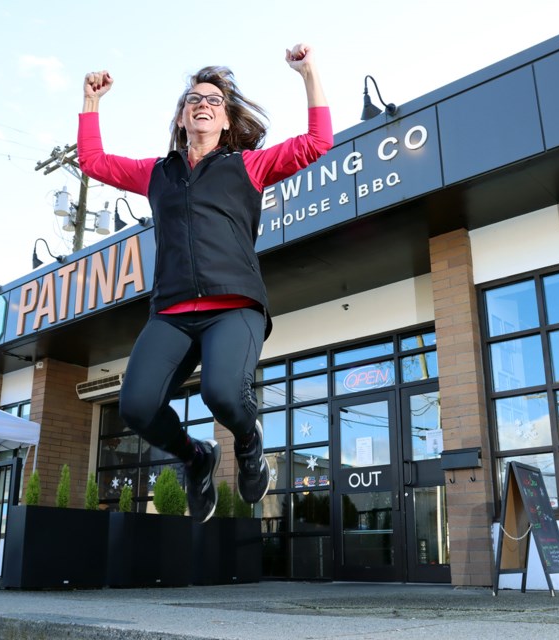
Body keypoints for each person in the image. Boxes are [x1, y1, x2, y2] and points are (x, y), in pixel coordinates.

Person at [78, 43, 332, 523]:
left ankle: (250, 442)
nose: (202, 105)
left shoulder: (246, 166)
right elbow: (93, 162)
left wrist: (309, 73)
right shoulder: (157, 174)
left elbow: (317, 143)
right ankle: (197, 457)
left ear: (226, 121)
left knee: (222, 393)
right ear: (180, 119)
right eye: (193, 99)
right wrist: (91, 103)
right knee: (135, 406)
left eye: (214, 101)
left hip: (234, 307)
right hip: (172, 311)